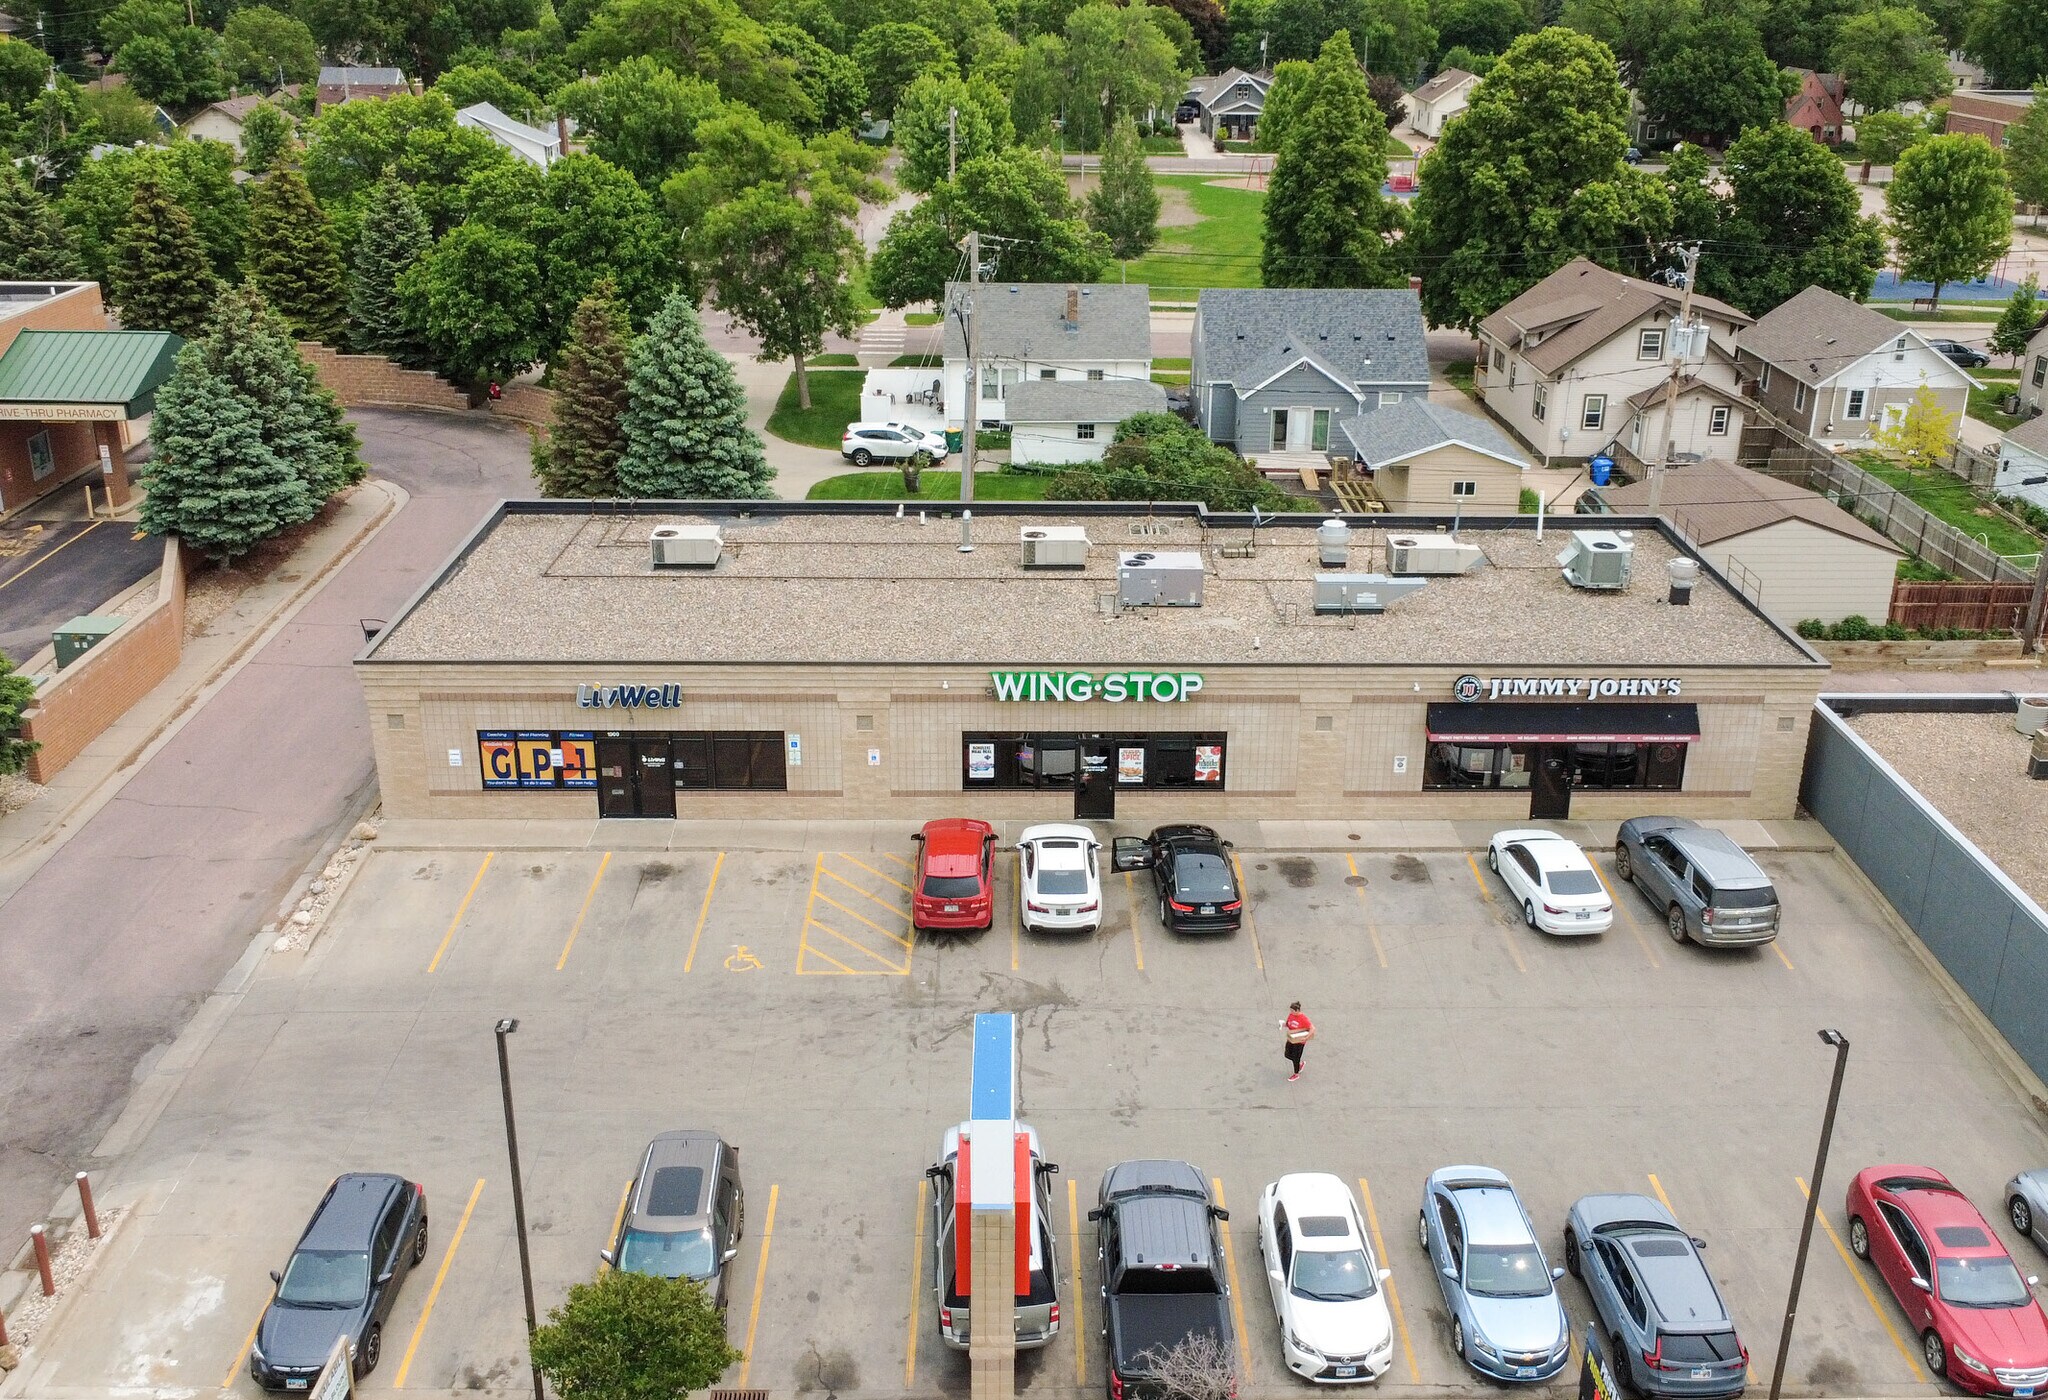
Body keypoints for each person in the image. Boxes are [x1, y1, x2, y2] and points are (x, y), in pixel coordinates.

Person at [1282, 1001, 1314, 1081]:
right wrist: (1283, 1024)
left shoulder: (1303, 1018)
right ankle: (1299, 1064)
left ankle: (1296, 1074)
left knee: (1296, 1058)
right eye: (1290, 1010)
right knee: (1287, 1054)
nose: (1291, 1012)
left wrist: (1306, 1038)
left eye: (1292, 1011)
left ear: (1297, 1010)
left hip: (1299, 1041)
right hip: (1292, 1038)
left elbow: (1312, 1028)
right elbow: (1288, 1024)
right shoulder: (1291, 1015)